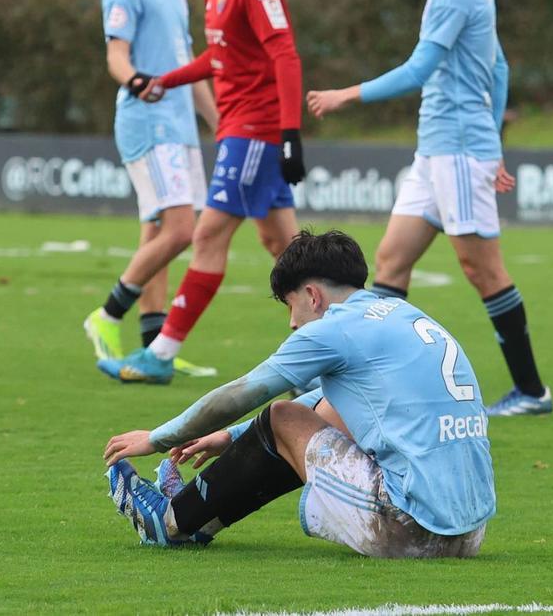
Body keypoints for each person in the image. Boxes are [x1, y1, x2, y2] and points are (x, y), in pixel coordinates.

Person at [102, 230, 495, 557]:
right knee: (300, 417)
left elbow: (241, 394)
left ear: (313, 295)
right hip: (470, 534)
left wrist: (157, 438)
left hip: (411, 528)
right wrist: (232, 437)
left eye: (292, 306)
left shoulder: (334, 328)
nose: (293, 323)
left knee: (282, 416)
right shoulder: (401, 315)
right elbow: (332, 407)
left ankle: (170, 522)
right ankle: (195, 510)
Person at [305, 0, 549, 417]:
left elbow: (419, 69)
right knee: (391, 260)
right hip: (440, 150)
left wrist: (346, 94)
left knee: (483, 270)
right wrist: (497, 142)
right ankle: (380, 382)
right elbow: (500, 69)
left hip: (459, 151)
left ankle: (531, 391)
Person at [98, 0, 306, 384]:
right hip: (238, 127)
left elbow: (285, 54)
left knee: (207, 233)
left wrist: (291, 131)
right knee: (286, 246)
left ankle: (162, 353)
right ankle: (328, 350)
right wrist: (165, 81)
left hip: (256, 129)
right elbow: (218, 59)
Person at [81, 0, 219, 379]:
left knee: (159, 232)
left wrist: (221, 123)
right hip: (148, 122)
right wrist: (136, 80)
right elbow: (116, 56)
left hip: (179, 126)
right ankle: (107, 313)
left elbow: (187, 67)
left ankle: (155, 348)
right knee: (183, 230)